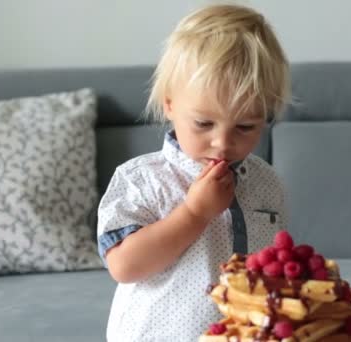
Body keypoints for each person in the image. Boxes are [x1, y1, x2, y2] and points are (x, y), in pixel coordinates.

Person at [96, 4, 291, 341]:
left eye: (245, 126)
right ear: (170, 104)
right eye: (203, 123)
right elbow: (124, 266)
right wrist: (194, 213)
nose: (223, 143)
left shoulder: (266, 182)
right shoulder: (141, 179)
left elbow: (273, 266)